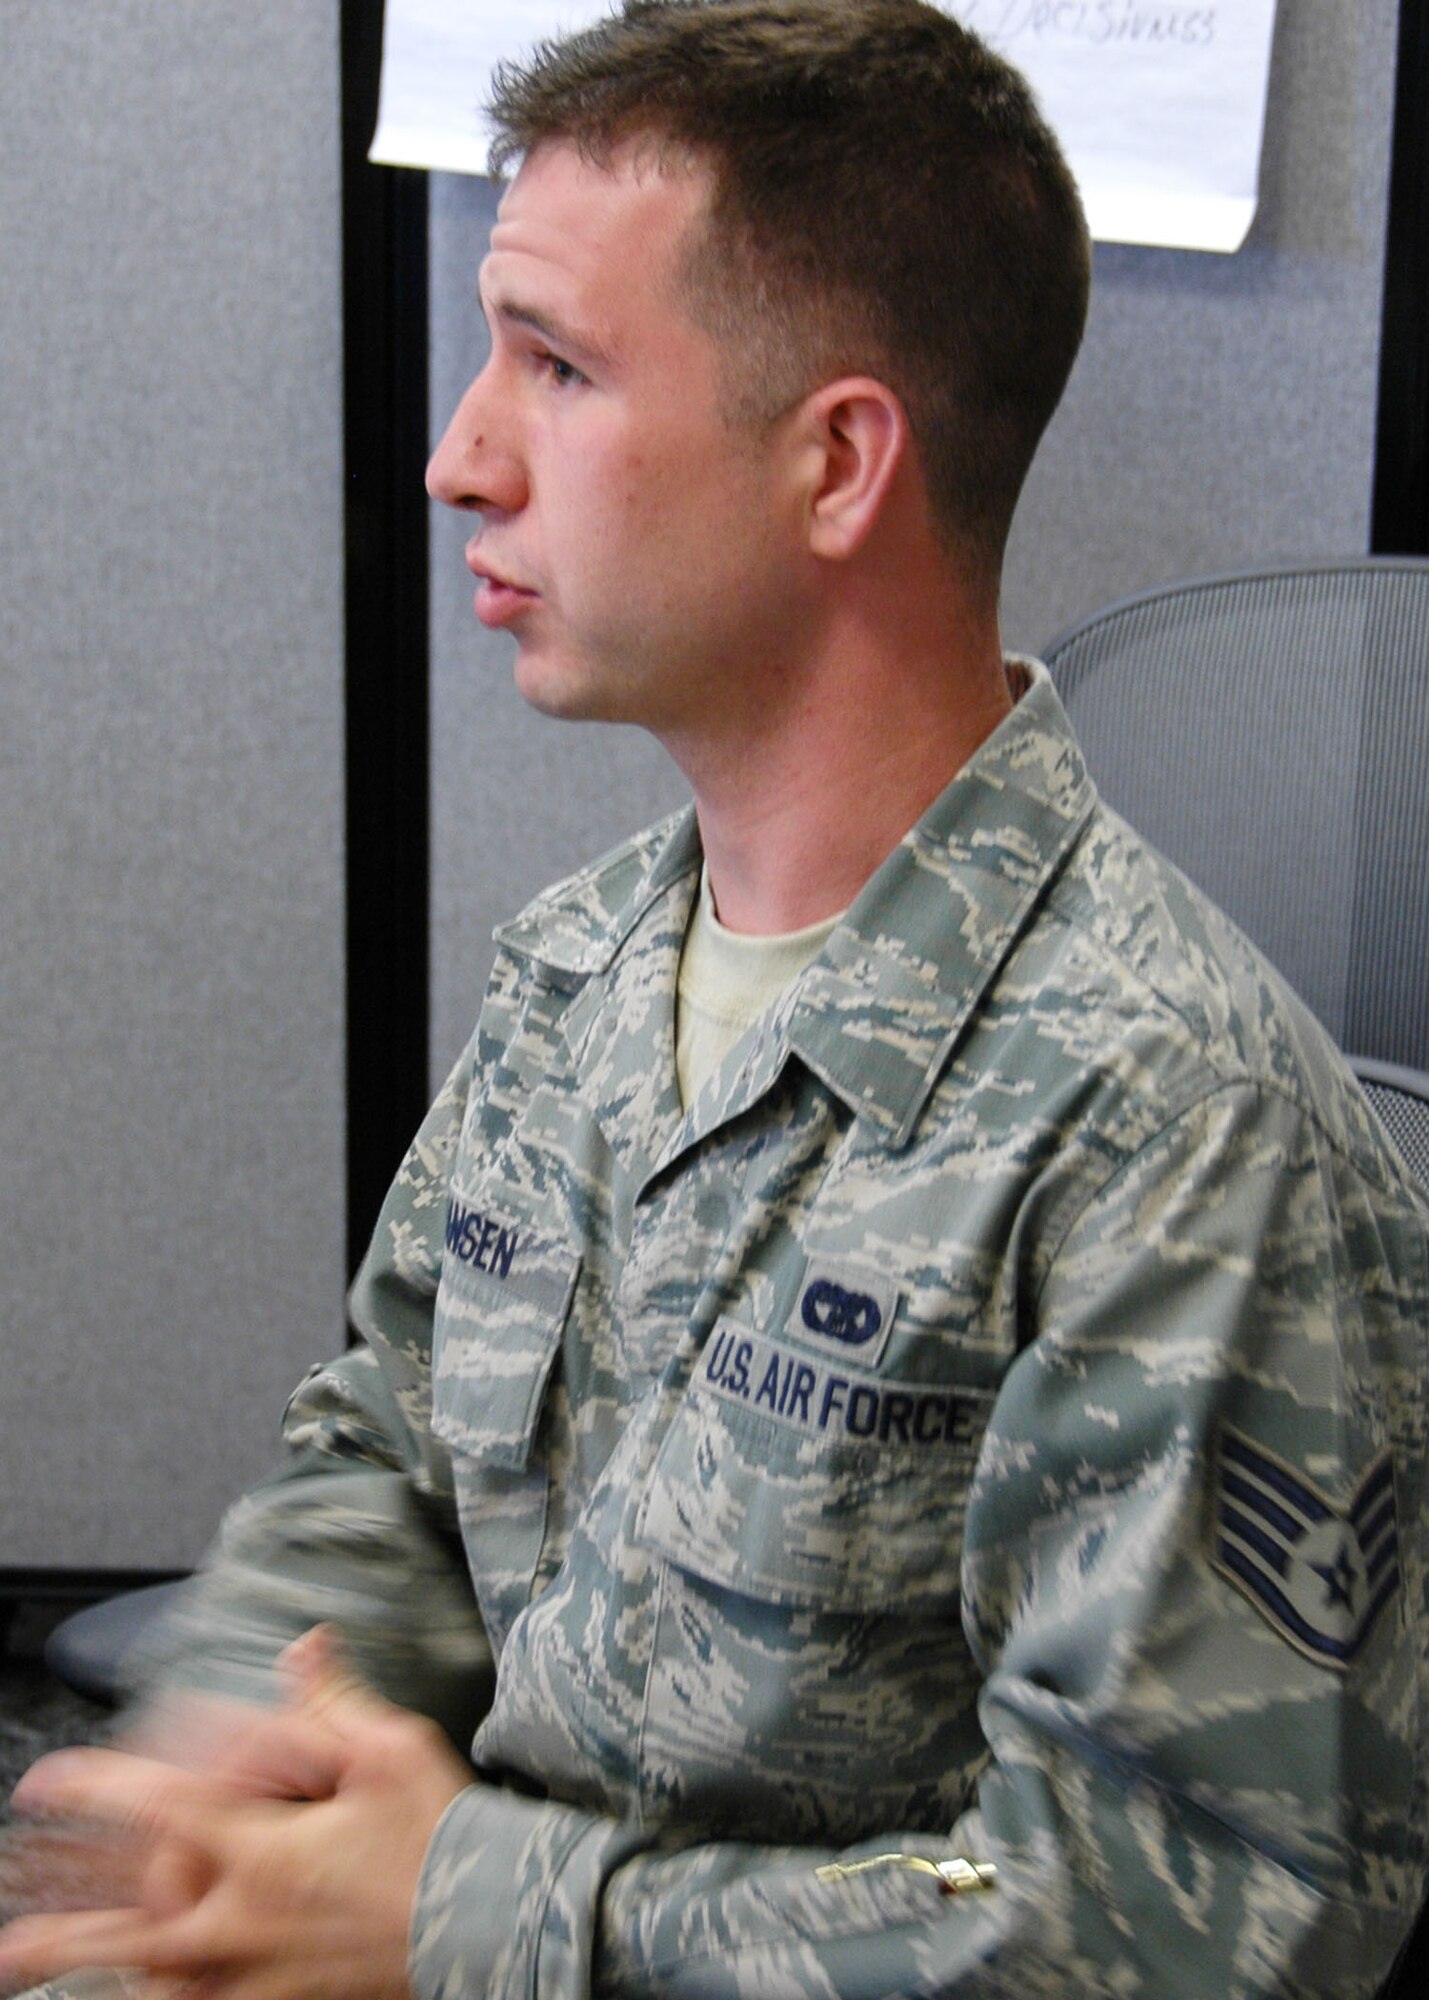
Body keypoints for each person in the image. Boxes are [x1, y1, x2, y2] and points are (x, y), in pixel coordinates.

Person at [2, 2, 1426, 1996]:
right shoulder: (579, 966)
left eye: (557, 366)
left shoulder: (1172, 1123)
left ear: (837, 461)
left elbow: (1182, 1920)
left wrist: (457, 1913)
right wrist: (230, 1758)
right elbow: (392, 1458)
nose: (456, 457)